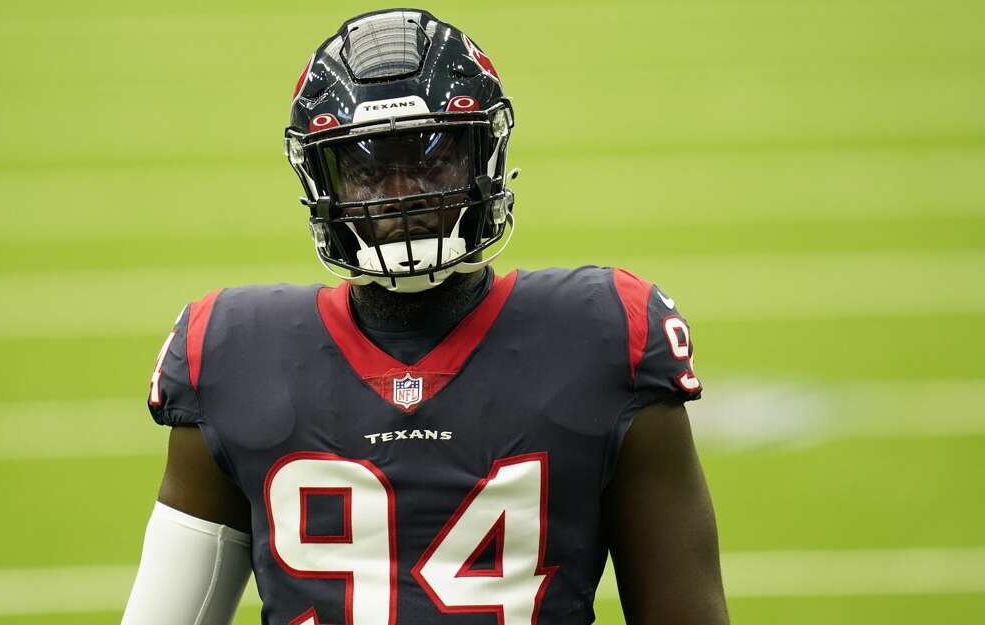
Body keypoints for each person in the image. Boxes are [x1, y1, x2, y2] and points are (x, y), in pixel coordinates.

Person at [122, 8, 728, 625]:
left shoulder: (605, 338)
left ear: (483, 158)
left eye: (432, 158)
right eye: (365, 168)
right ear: (321, 179)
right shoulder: (228, 353)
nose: (402, 192)